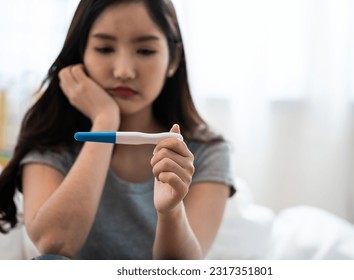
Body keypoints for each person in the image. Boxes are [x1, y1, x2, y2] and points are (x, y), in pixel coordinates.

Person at [0, 0, 234, 259]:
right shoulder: (51, 138)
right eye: (104, 48)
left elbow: (183, 270)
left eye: (145, 51)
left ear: (173, 59)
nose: (124, 71)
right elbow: (54, 244)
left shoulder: (208, 151)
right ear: (81, 55)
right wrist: (105, 119)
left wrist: (170, 211)